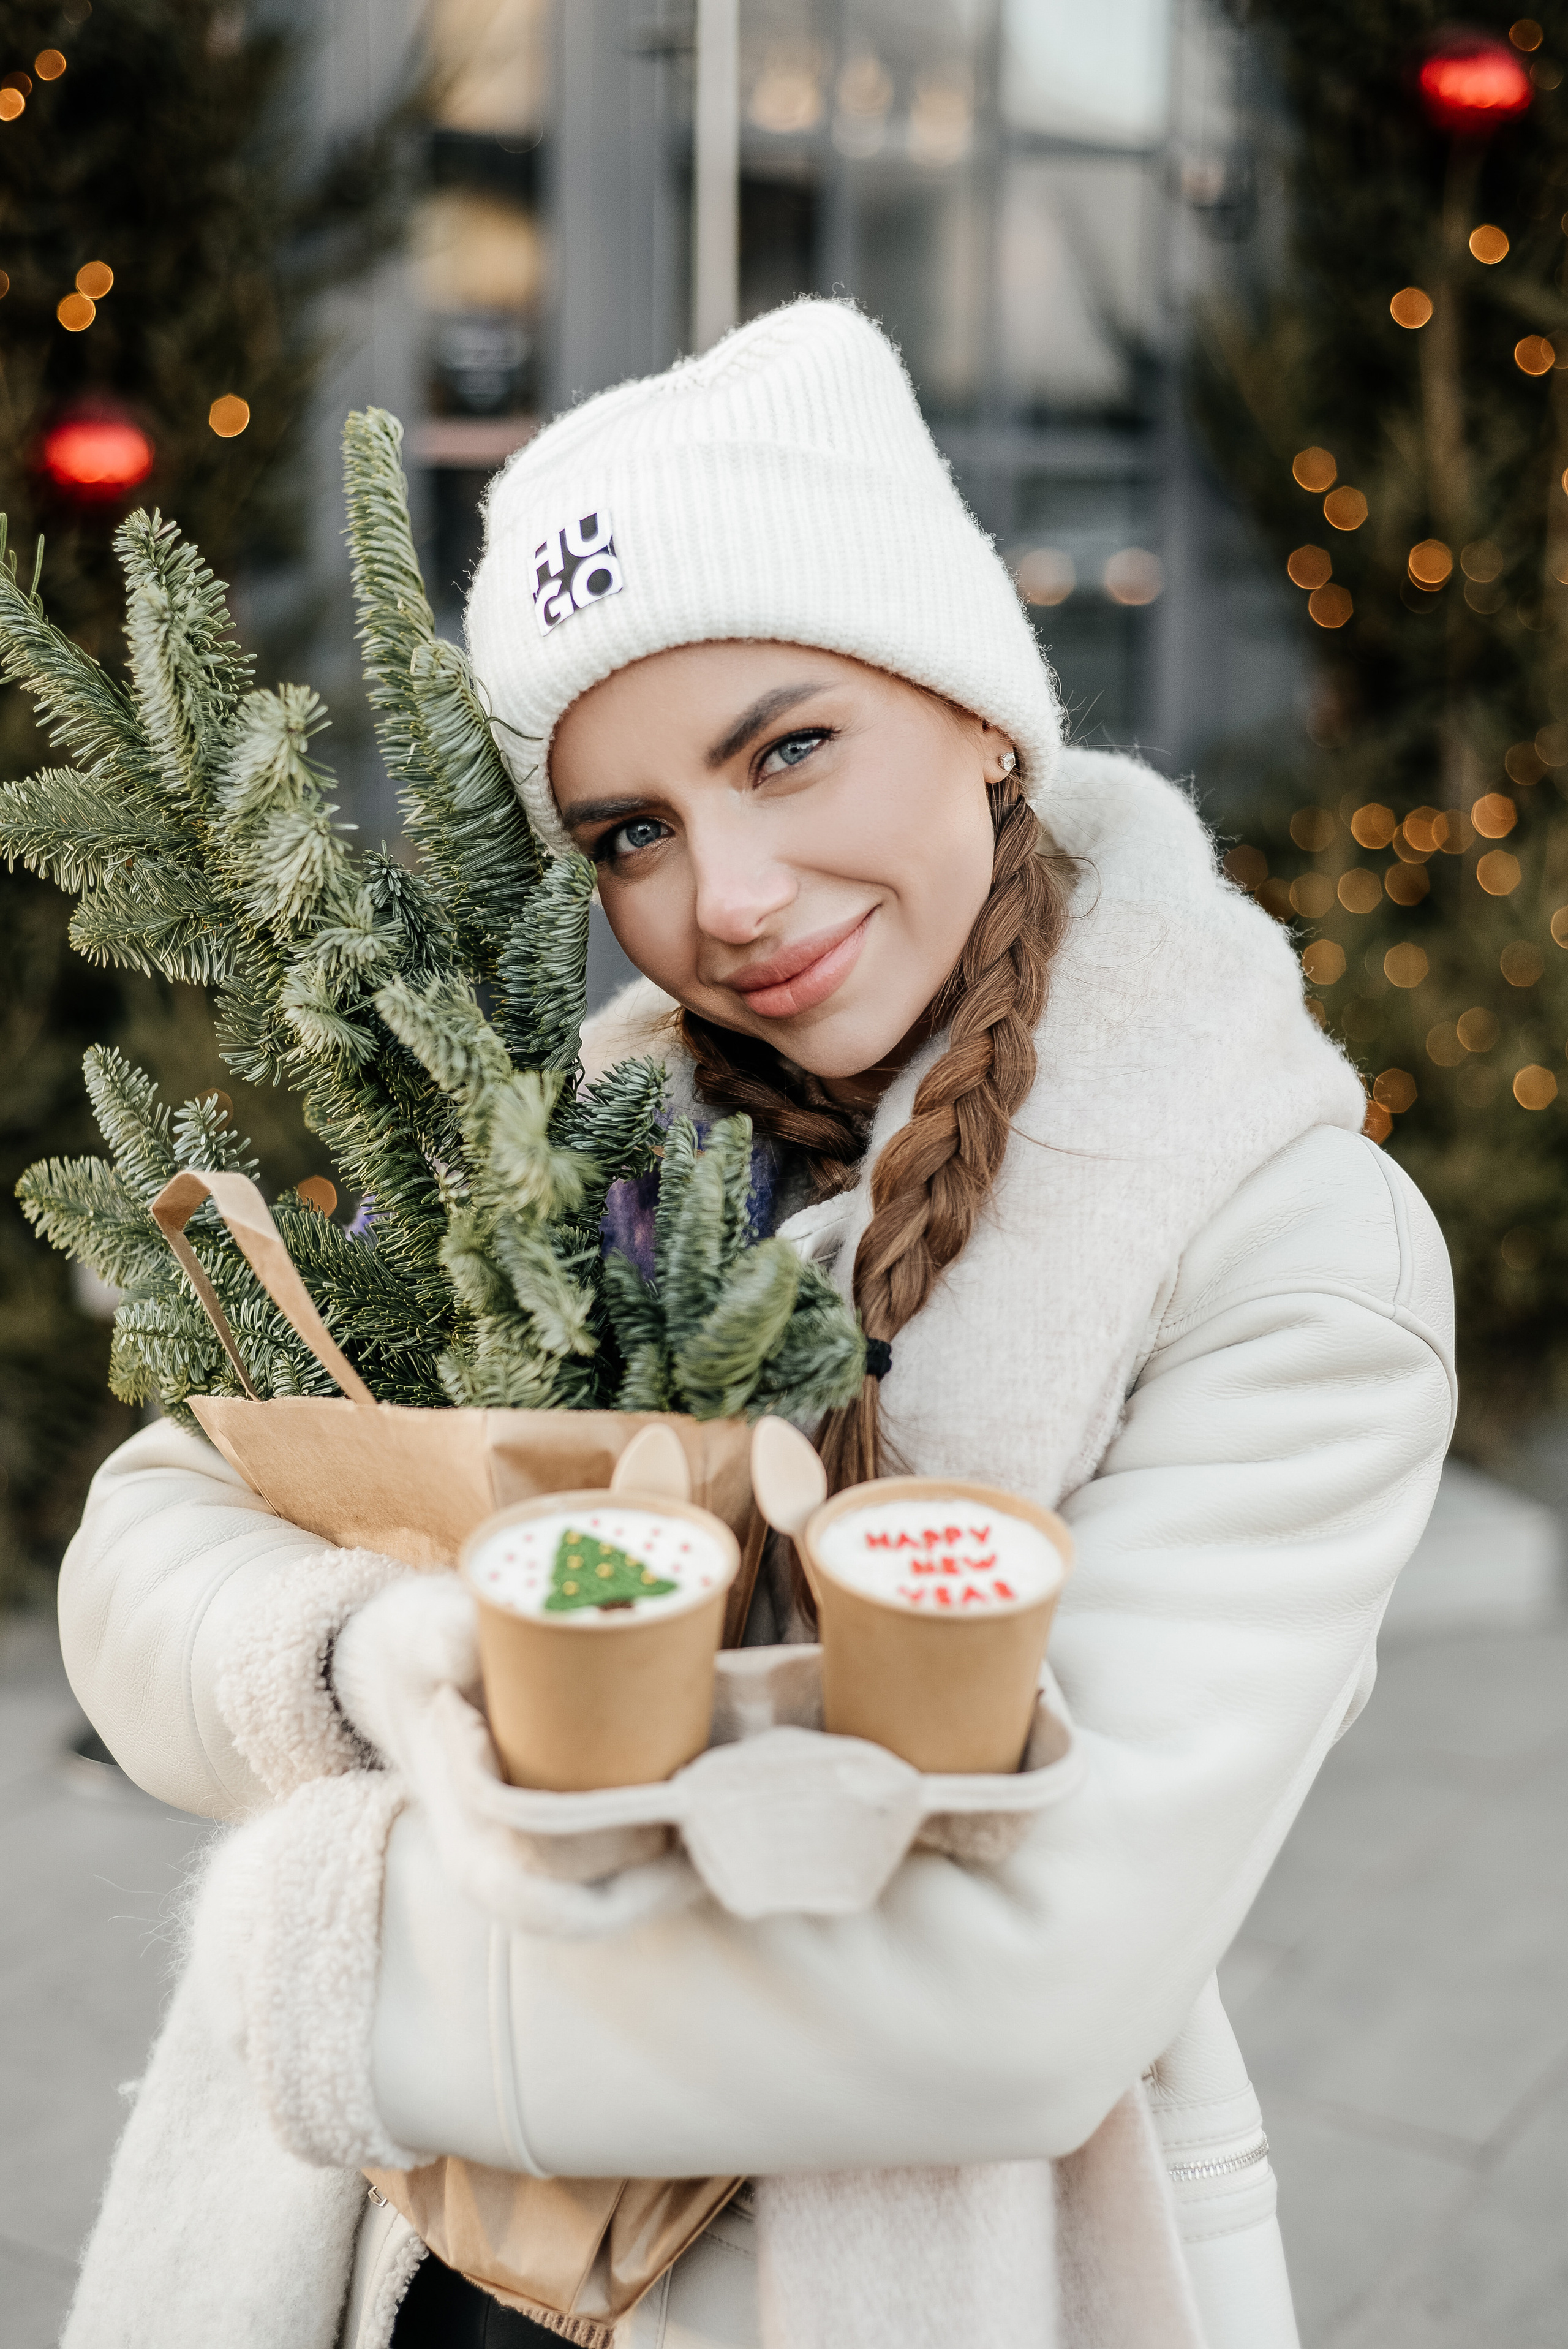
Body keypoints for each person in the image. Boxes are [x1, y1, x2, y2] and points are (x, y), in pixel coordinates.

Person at [56, 301, 1453, 2349]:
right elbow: (157, 1525)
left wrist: (324, 1951)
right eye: (629, 831)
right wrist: (382, 1657)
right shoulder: (565, 1132)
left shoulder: (1283, 1246)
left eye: (786, 747)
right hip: (397, 2277)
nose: (724, 897)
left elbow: (1019, 1989)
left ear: (981, 708)